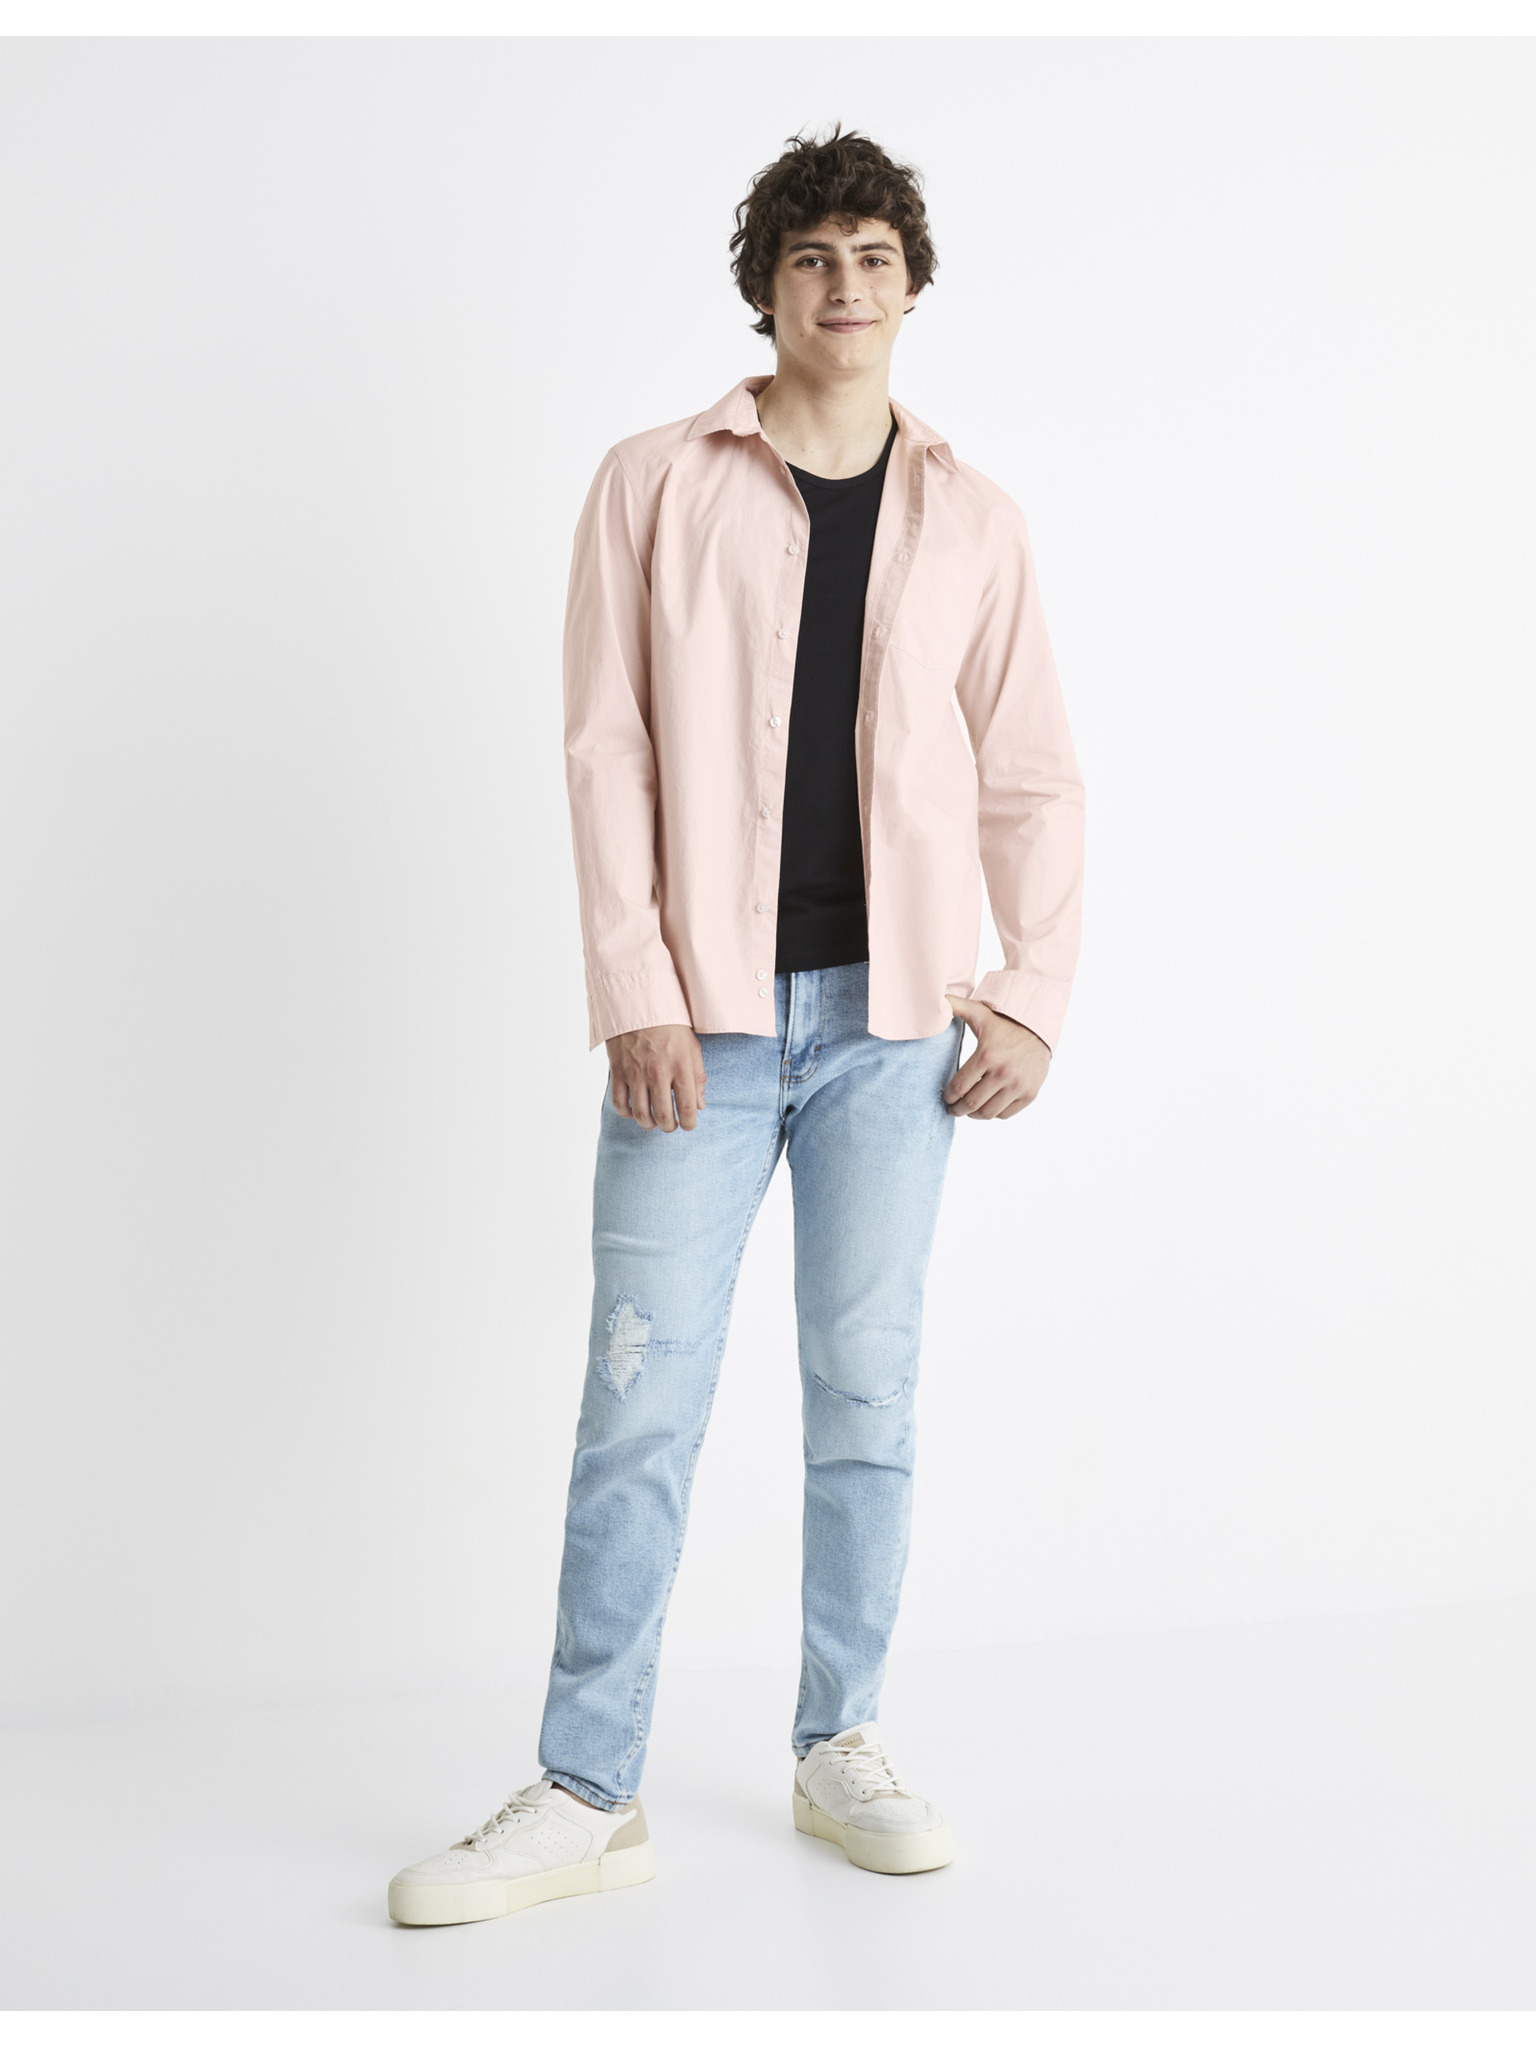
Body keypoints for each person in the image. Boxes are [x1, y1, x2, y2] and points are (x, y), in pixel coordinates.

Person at [387, 124, 1085, 1928]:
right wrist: (635, 987)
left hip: (895, 1030)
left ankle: (840, 1741)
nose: (844, 285)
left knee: (868, 1397)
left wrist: (1031, 992)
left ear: (911, 288)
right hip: (697, 1025)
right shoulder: (652, 483)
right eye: (810, 257)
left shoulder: (977, 521)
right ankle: (585, 1786)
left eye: (873, 257)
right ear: (766, 289)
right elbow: (602, 744)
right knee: (640, 1402)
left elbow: (1029, 774)